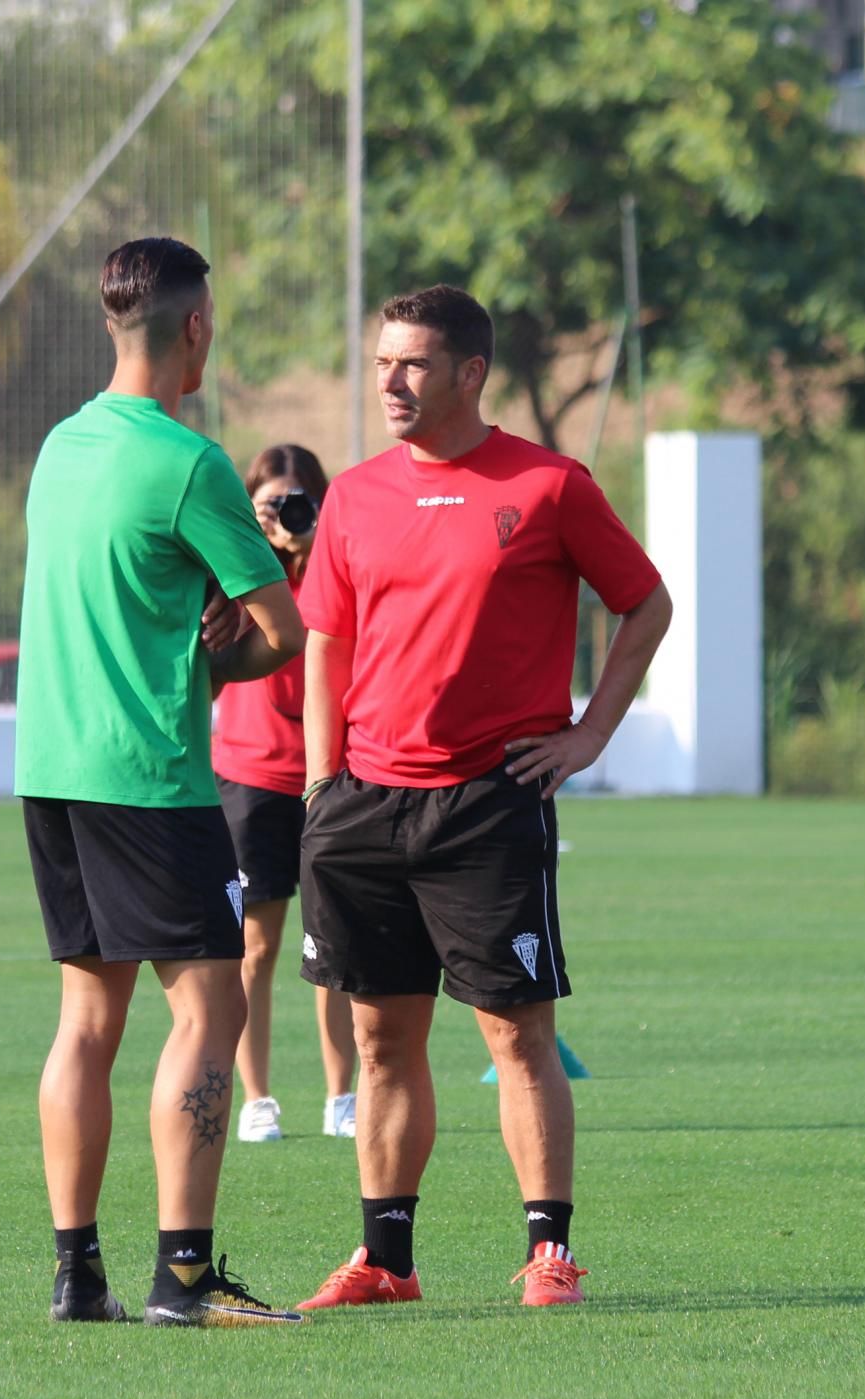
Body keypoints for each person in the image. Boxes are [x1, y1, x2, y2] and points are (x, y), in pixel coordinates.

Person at [294, 284, 671, 1311]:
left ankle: (549, 1251)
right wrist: (323, 776)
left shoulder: (549, 485)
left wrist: (590, 732)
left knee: (516, 1033)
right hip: (363, 806)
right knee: (380, 1038)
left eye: (413, 363)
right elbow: (324, 638)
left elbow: (645, 602)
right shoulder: (358, 495)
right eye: (382, 362)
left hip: (488, 803)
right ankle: (387, 1260)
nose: (391, 381)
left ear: (471, 373)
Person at [14, 236, 307, 1328]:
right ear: (196, 328)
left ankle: (74, 1271)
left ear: (109, 324)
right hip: (151, 774)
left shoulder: (57, 447)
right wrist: (218, 647)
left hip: (50, 768)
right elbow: (281, 629)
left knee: (87, 1016)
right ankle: (184, 1274)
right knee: (211, 1001)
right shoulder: (191, 463)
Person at [211, 445, 358, 1144]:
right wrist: (262, 556)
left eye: (298, 501)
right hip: (249, 776)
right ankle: (258, 1098)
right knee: (256, 948)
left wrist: (314, 545)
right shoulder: (235, 572)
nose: (285, 515)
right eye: (270, 504)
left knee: (332, 946)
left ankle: (341, 1095)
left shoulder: (338, 564)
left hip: (330, 775)